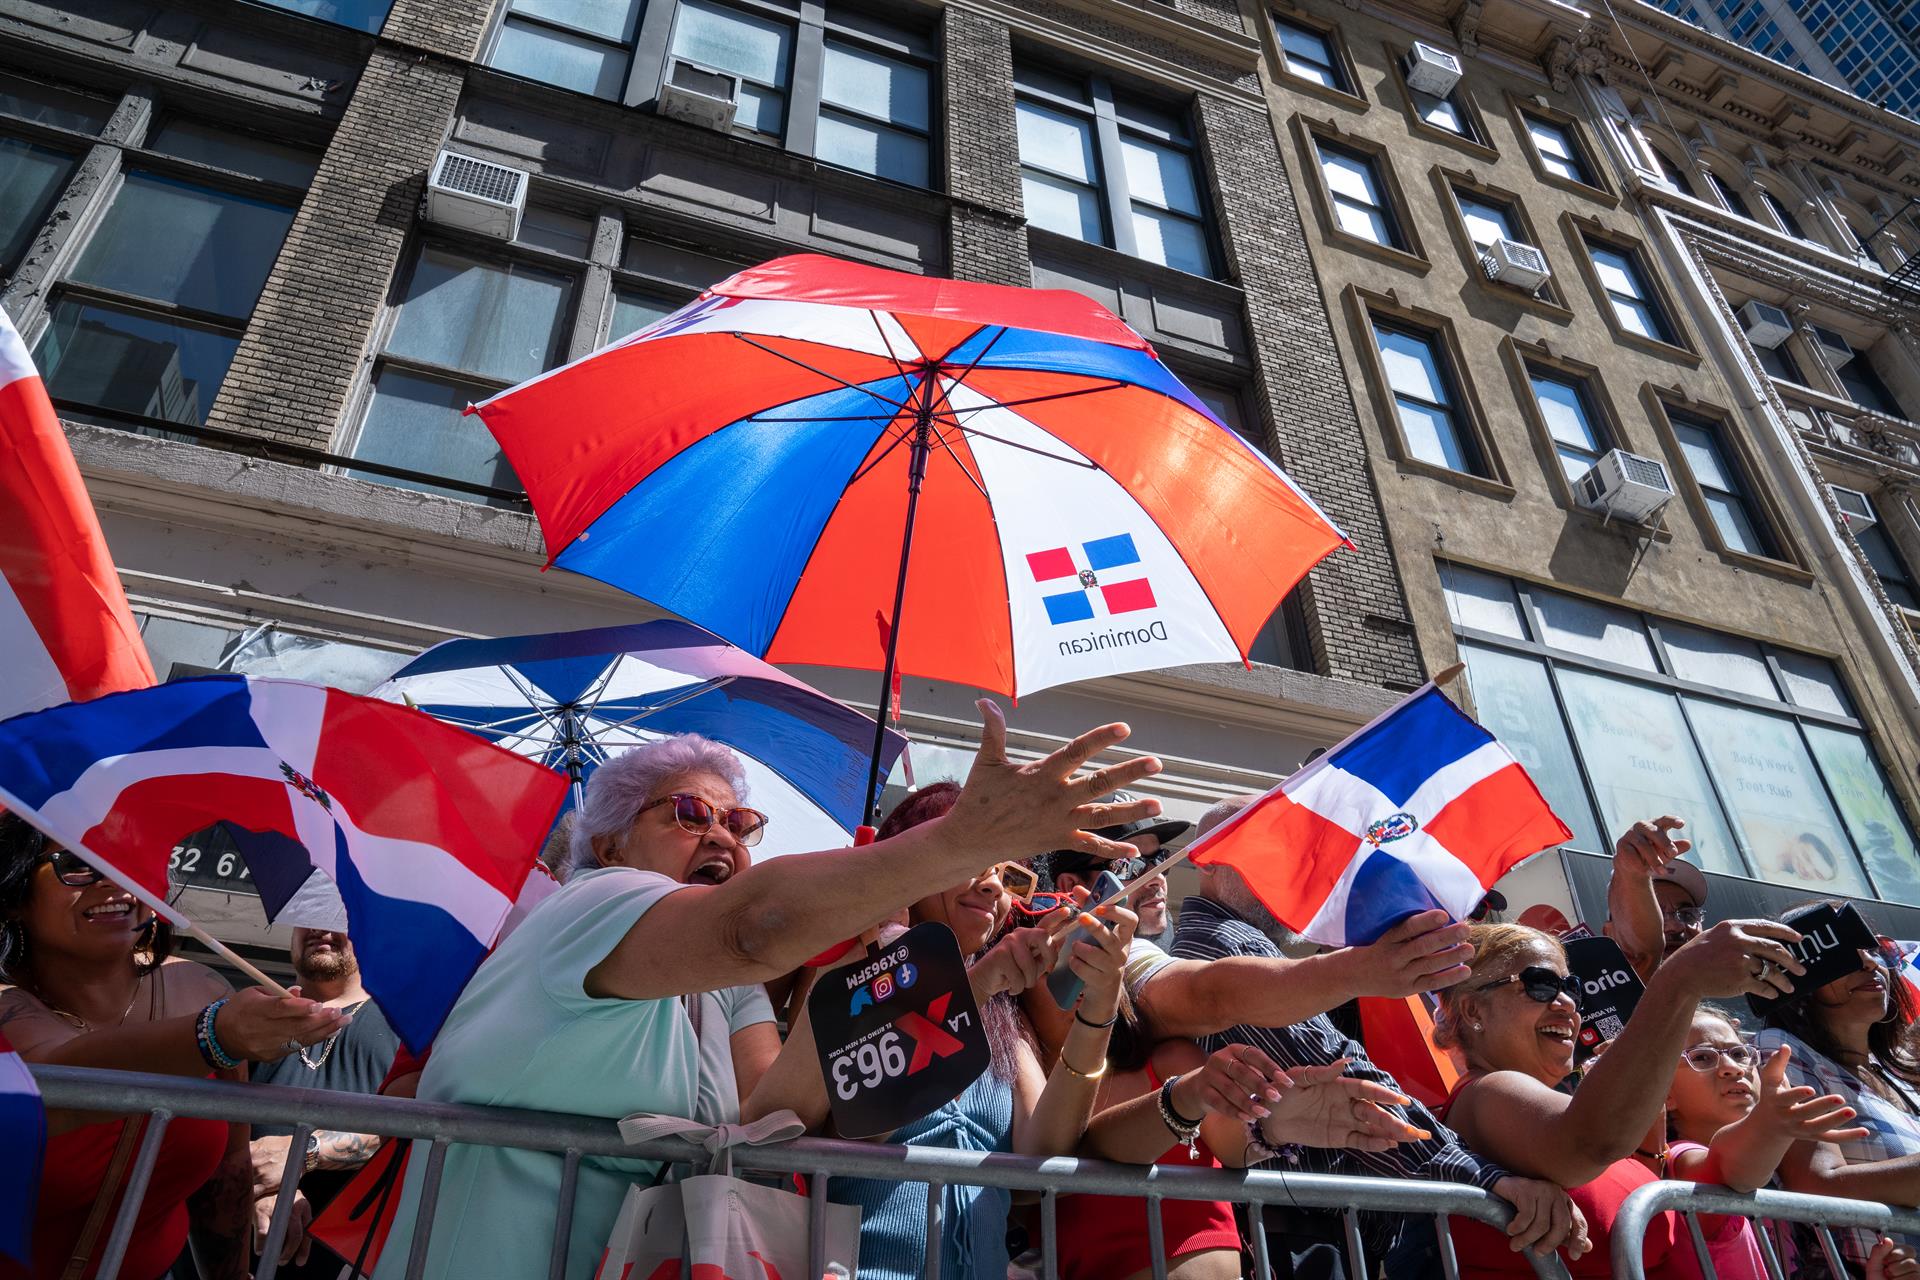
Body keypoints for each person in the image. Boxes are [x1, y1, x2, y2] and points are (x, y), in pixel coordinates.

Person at [374, 704, 1164, 1280]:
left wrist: (979, 980)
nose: (721, 834)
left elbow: (780, 1111)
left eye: (740, 823)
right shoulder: (590, 902)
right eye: (689, 814)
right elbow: (758, 924)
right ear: (611, 840)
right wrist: (961, 840)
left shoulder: (729, 990)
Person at [1168, 799, 1581, 1278]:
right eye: (1268, 853)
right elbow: (1349, 1080)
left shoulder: (1234, 949)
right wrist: (1485, 1177)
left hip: (1313, 1230)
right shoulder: (1228, 945)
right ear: (1209, 859)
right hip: (1298, 1238)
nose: (1290, 874)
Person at [754, 782, 1139, 1280]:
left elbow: (1043, 1154)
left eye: (1008, 875)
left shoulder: (1004, 1011)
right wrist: (971, 989)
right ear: (914, 857)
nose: (993, 886)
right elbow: (862, 1127)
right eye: (974, 862)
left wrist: (1100, 1005)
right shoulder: (858, 969)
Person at [0, 814, 347, 1280]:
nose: (115, 881)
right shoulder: (9, 1010)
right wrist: (215, 1035)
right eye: (79, 864)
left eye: (129, 859)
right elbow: (55, 1074)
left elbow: (228, 1170)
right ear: (15, 894)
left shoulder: (202, 987)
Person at [1431, 918, 1806, 1277]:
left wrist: (1767, 1125)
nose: (1566, 1003)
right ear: (1473, 1009)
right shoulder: (1487, 1091)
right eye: (1540, 984)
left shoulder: (1557, 1113)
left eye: (1572, 987)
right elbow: (1591, 1143)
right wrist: (1679, 979)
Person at [1029, 972, 1424, 1280]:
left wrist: (1271, 1121)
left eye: (1096, 958)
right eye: (1057, 965)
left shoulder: (1169, 1058)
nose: (1084, 977)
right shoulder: (1021, 1094)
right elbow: (1047, 1173)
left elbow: (1228, 1139)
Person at [1755, 902, 1920, 1270]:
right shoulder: (1781, 1049)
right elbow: (1817, 1186)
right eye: (1844, 953)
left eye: (1871, 949)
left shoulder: (1899, 1075)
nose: (1869, 963)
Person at [1662, 1003, 1866, 1278]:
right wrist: (1770, 1127)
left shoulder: (1779, 1174)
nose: (1732, 1068)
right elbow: (1729, 1168)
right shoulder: (1678, 1159)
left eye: (1738, 1053)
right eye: (1701, 1058)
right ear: (1664, 1094)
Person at [248, 928, 402, 1279]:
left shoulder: (405, 1024)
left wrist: (303, 1154)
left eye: (341, 917)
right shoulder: (253, 1013)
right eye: (309, 917)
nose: (321, 928)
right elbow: (210, 1127)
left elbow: (407, 1128)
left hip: (352, 1254)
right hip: (237, 1244)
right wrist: (257, 1187)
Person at [1046, 794, 1189, 945]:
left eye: (1161, 858)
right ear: (1071, 886)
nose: (1158, 878)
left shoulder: (1169, 940)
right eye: (1127, 865)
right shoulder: (1037, 958)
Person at [1605, 816, 1709, 982]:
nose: (1674, 926)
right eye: (1654, 913)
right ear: (1610, 935)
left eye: (1687, 914)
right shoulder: (1579, 1006)